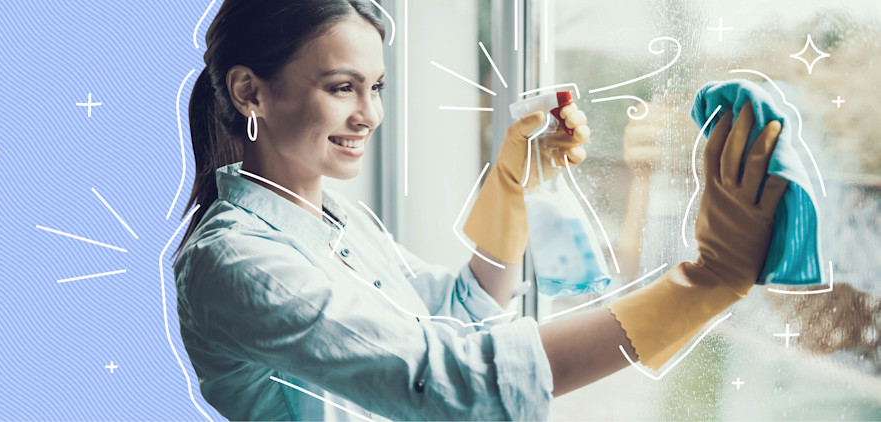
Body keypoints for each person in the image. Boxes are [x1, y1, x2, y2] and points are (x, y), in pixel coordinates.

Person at [171, 0, 788, 420]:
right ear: (250, 91)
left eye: (376, 86)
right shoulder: (237, 263)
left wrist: (513, 182)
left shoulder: (337, 222)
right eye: (341, 87)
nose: (370, 114)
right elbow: (454, 383)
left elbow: (462, 310)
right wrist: (703, 283)